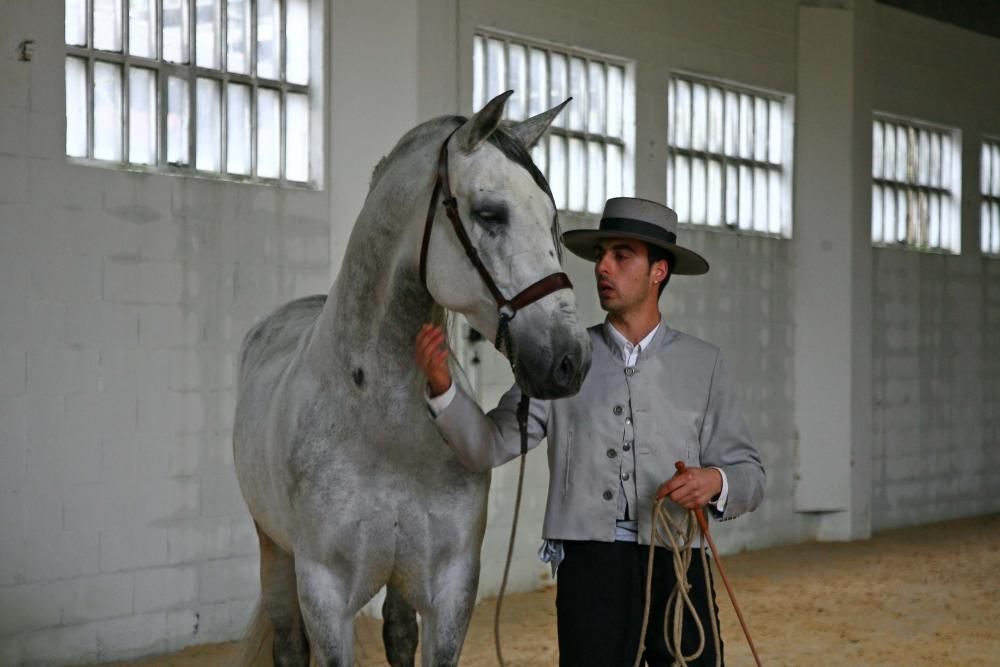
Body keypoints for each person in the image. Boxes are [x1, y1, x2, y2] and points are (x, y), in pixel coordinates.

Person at [415, 197, 765, 666]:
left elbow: (751, 474)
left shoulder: (705, 365)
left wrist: (715, 482)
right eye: (601, 255)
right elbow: (488, 445)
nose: (603, 267)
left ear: (658, 271)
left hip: (678, 561)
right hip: (589, 567)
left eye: (622, 256)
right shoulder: (564, 359)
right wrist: (441, 388)